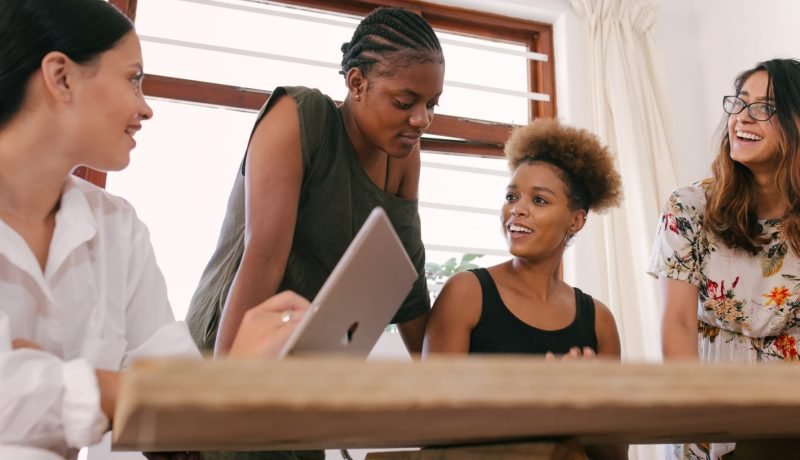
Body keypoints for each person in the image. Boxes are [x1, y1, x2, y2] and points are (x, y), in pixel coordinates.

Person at [0, 1, 309, 459]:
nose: (146, 109)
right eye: (133, 78)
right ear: (61, 77)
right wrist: (122, 393)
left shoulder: (118, 228)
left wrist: (228, 383)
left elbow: (173, 398)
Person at [186, 8, 444, 358]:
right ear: (357, 83)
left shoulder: (404, 153)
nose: (421, 119)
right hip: (227, 346)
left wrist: (448, 382)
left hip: (311, 357)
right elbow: (264, 257)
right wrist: (229, 380)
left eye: (432, 104)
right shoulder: (298, 116)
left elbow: (409, 283)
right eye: (404, 102)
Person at [423, 119, 626, 460]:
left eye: (540, 200)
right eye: (511, 196)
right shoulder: (467, 293)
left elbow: (614, 455)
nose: (518, 208)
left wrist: (587, 407)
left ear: (575, 221)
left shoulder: (598, 321)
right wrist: (543, 401)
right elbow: (429, 422)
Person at [650, 58, 800, 460]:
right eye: (739, 102)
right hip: (706, 401)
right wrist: (697, 414)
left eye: (765, 108)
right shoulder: (689, 208)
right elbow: (677, 321)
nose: (742, 118)